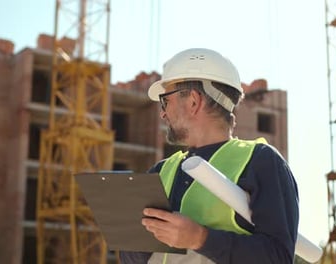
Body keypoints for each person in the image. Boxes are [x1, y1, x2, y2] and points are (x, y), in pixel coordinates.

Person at [120, 48, 299, 264]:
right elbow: (131, 258)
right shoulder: (160, 171)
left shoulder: (260, 162)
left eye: (165, 101)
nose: (163, 112)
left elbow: (278, 258)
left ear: (193, 101)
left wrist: (200, 239)